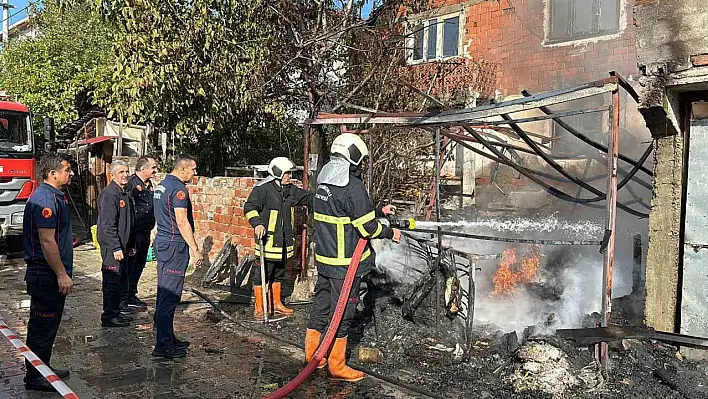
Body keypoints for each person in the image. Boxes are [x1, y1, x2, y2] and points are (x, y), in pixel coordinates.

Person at [305, 133, 401, 382]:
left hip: (325, 259)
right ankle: (337, 364)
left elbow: (343, 209)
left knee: (322, 305)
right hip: (346, 264)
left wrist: (379, 209)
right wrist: (391, 232)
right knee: (344, 313)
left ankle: (313, 355)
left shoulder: (324, 178)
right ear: (354, 156)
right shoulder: (352, 185)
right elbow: (367, 227)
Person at [22, 153, 74, 391]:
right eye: (67, 169)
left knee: (49, 326)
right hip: (45, 275)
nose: (70, 173)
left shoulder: (55, 196)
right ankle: (34, 376)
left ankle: (43, 367)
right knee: (41, 327)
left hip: (50, 274)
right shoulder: (44, 199)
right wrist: (62, 274)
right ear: (53, 174)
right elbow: (46, 242)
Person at [244, 157, 313, 319]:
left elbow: (308, 198)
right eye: (287, 172)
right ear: (278, 172)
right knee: (262, 275)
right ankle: (260, 307)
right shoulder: (262, 190)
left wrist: (326, 200)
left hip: (284, 243)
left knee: (278, 274)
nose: (289, 175)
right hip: (267, 243)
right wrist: (257, 223)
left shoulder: (290, 190)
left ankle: (276, 303)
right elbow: (249, 207)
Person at [152, 154, 203, 358]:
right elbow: (182, 222)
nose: (195, 173)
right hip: (174, 245)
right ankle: (163, 345)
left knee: (164, 291)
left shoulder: (162, 186)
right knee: (170, 295)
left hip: (164, 243)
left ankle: (167, 337)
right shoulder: (179, 189)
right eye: (193, 169)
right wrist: (195, 249)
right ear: (183, 169)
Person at [97, 160, 135, 327]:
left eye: (127, 171)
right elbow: (107, 224)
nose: (125, 175)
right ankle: (109, 316)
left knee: (121, 280)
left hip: (124, 245)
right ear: (112, 175)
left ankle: (117, 311)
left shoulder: (124, 192)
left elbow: (129, 221)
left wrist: (130, 244)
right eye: (121, 172)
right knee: (112, 280)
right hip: (112, 246)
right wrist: (116, 247)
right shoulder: (109, 194)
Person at [121, 156, 158, 311]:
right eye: (153, 167)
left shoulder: (148, 185)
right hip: (134, 232)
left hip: (145, 230)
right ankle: (123, 298)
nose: (156, 170)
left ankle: (131, 293)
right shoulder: (131, 184)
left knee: (139, 264)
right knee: (130, 265)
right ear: (143, 169)